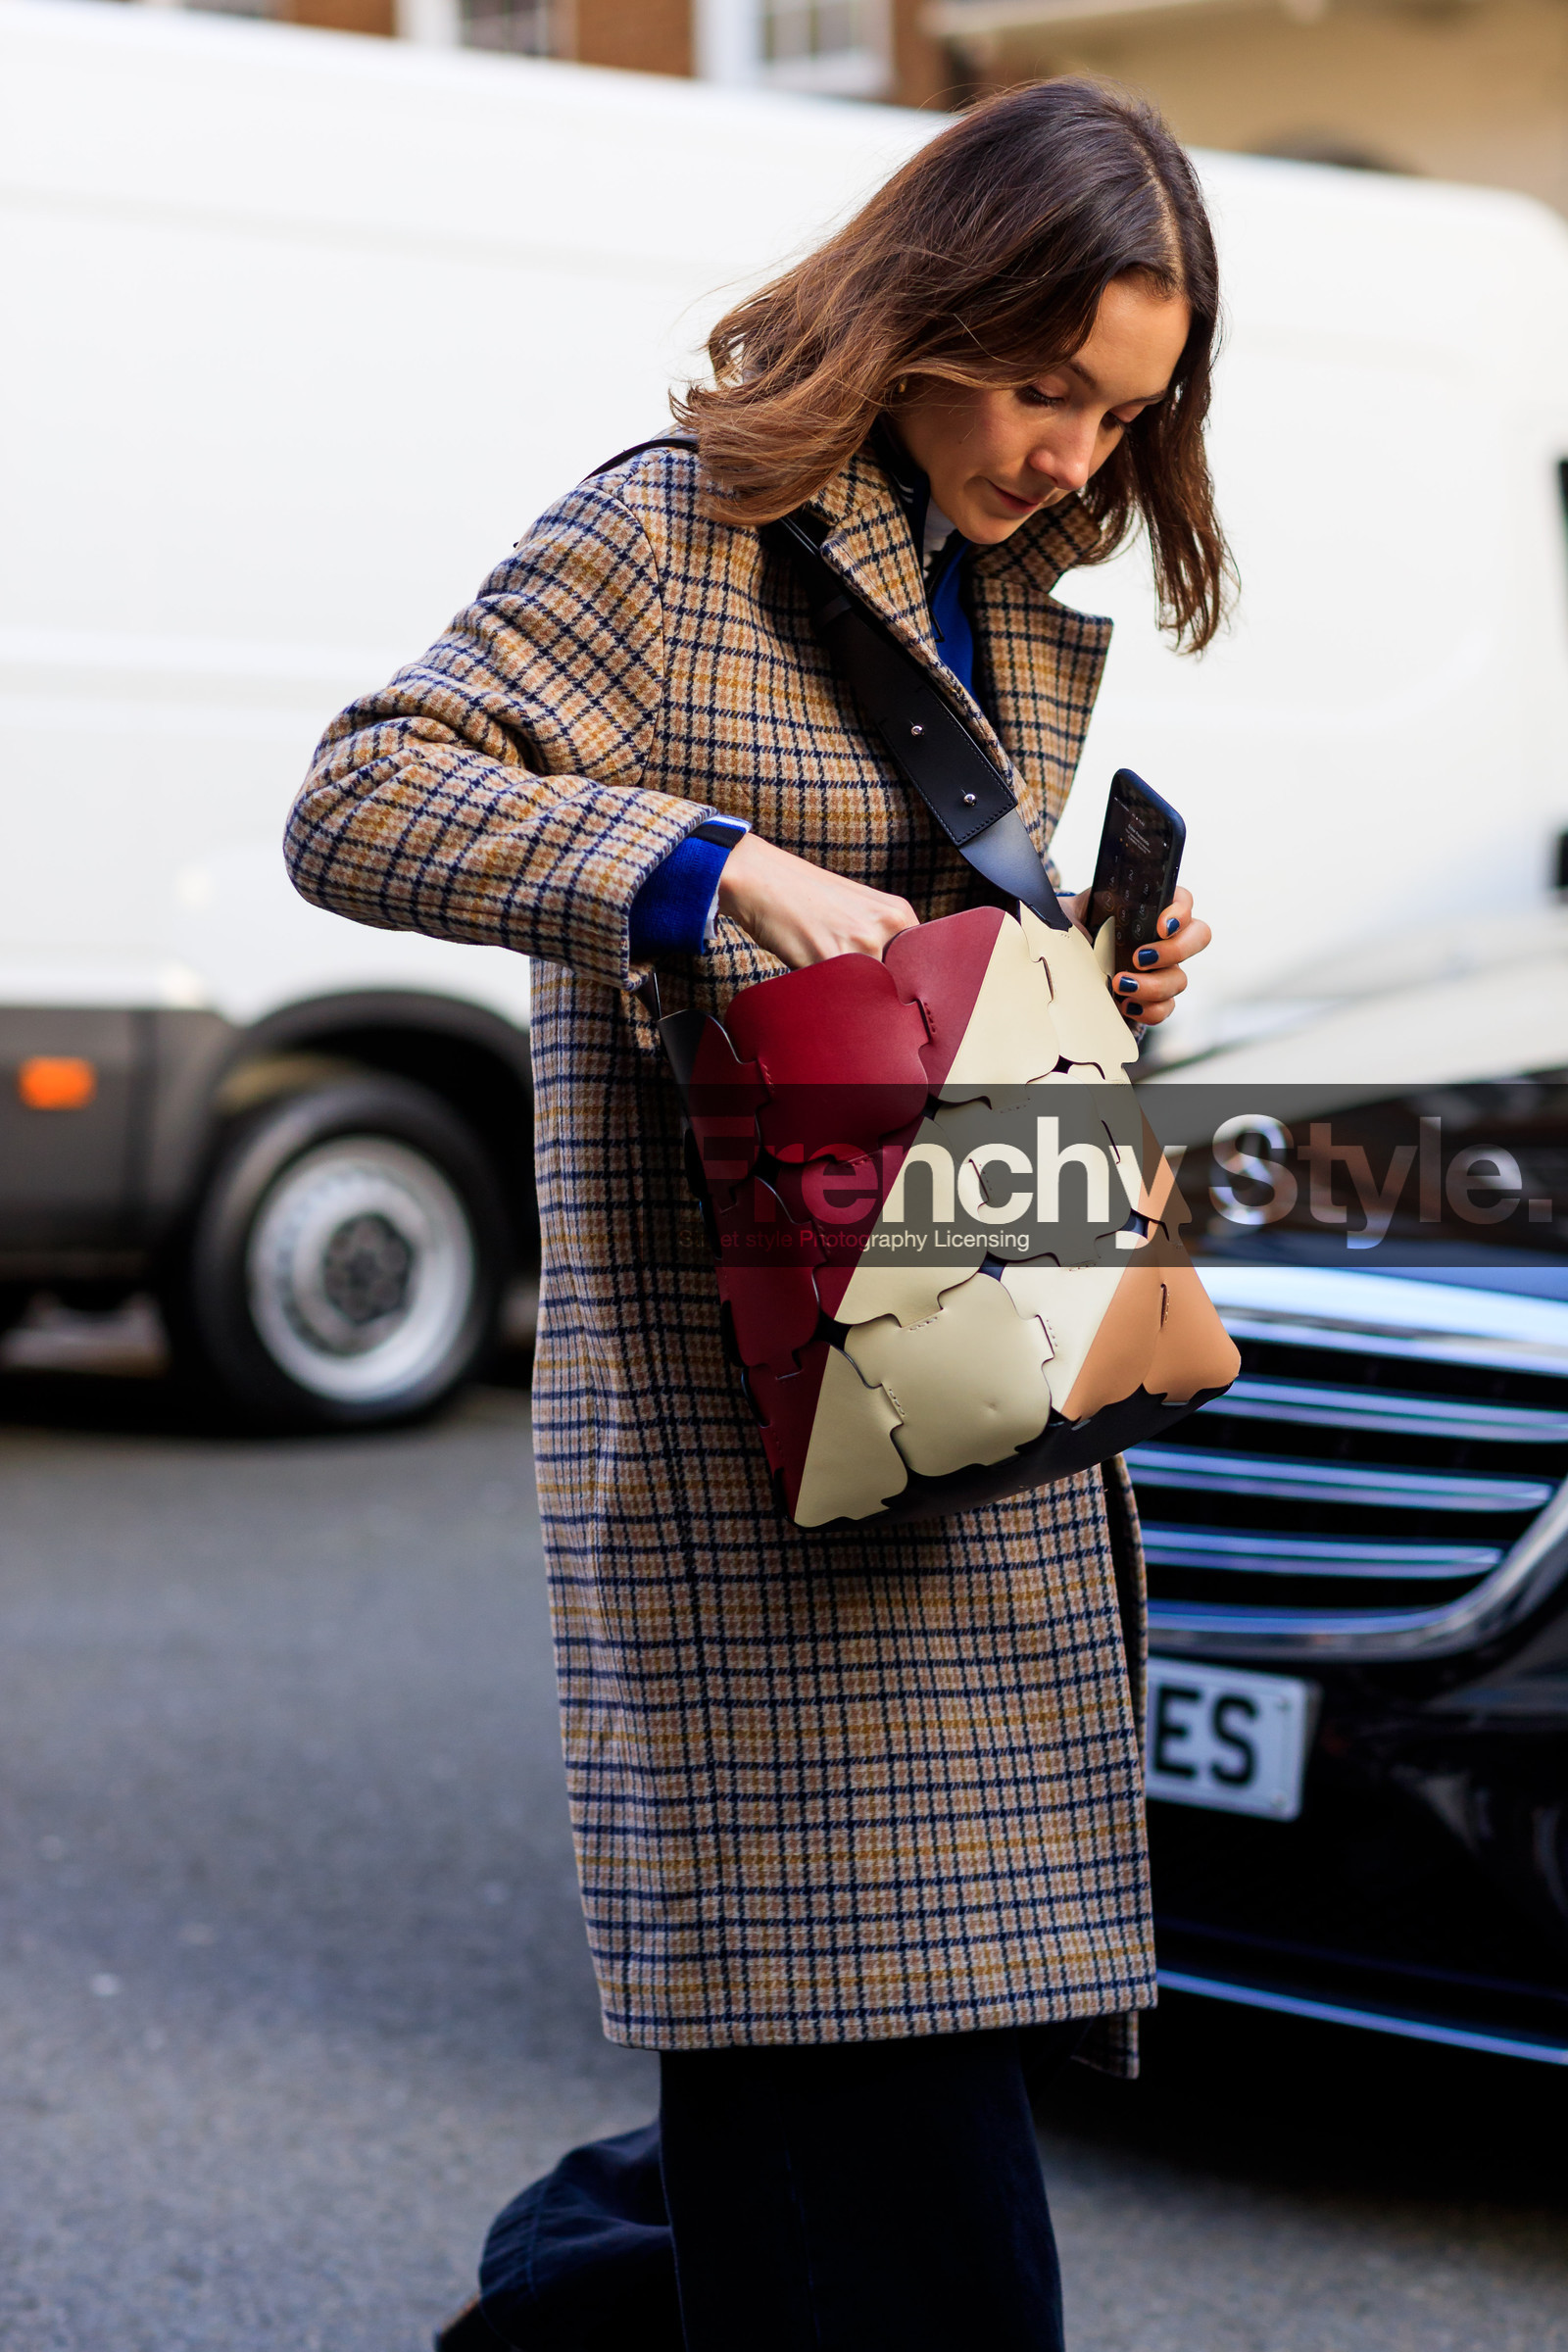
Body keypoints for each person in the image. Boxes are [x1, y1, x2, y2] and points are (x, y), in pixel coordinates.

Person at [285, 74, 1226, 2352]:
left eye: (1120, 417)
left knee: (845, 2209)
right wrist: (706, 868)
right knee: (914, 2260)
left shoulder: (986, 584)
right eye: (1040, 390)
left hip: (960, 1432)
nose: (1070, 462)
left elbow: (893, 1015)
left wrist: (1083, 981)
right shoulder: (670, 533)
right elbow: (359, 794)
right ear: (924, 310)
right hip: (764, 1499)